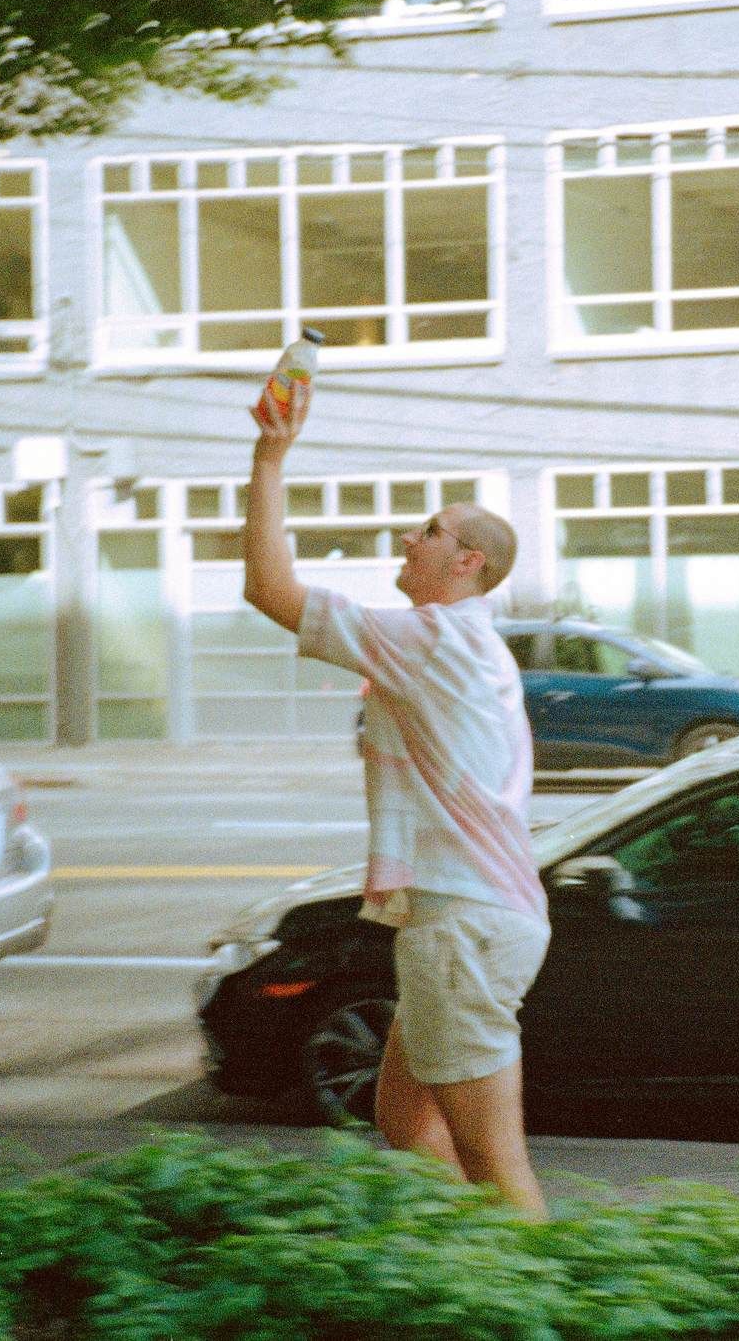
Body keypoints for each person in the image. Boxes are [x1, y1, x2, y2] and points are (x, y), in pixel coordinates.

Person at [241, 378, 550, 1216]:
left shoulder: (436, 636)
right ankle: (472, 1271)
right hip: (477, 917)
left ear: (467, 563)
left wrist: (271, 457)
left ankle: (527, 1297)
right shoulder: (466, 642)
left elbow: (271, 591)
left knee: (495, 1159)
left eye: (432, 530)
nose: (408, 536)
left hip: (464, 924)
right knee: (404, 1115)